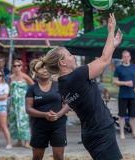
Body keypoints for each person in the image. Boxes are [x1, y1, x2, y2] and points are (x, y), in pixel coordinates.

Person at [40, 14, 123, 160]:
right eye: (70, 55)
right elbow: (104, 60)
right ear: (63, 63)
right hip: (100, 131)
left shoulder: (64, 83)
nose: (73, 57)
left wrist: (113, 45)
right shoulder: (76, 76)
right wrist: (110, 32)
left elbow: (102, 66)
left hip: (93, 133)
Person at [26, 59, 70, 160]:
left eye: (46, 68)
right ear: (36, 73)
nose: (45, 71)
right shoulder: (32, 89)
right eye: (41, 69)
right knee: (37, 157)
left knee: (59, 157)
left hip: (58, 126)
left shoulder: (59, 86)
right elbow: (28, 109)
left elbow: (68, 103)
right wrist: (44, 115)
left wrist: (58, 114)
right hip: (39, 127)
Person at [113, 50, 135, 140]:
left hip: (132, 94)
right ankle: (122, 133)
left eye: (127, 57)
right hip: (123, 95)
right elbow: (115, 81)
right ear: (122, 58)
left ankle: (134, 132)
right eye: (124, 57)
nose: (126, 58)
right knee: (122, 115)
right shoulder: (119, 68)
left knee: (133, 115)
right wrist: (125, 83)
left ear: (130, 57)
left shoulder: (134, 67)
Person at [9, 60, 34, 148]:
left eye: (18, 65)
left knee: (23, 120)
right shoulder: (11, 77)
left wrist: (30, 97)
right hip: (13, 101)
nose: (16, 67)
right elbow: (9, 88)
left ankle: (26, 140)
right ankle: (18, 140)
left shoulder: (24, 76)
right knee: (14, 120)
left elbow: (33, 86)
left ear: (21, 66)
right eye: (14, 66)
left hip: (22, 101)